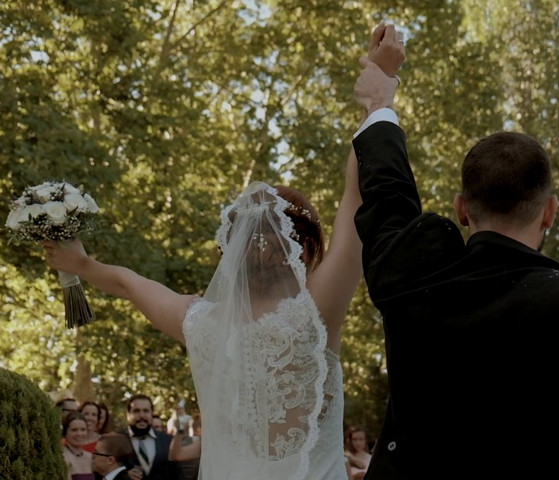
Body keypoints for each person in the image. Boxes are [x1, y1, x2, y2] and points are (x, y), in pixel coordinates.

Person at [44, 24, 402, 478]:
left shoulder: (199, 322)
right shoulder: (315, 313)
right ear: (303, 248)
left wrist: (80, 263)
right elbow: (358, 199)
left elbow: (126, 282)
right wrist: (378, 99)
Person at [352, 43, 559, 476]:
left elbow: (388, 194)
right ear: (550, 212)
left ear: (462, 209)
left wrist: (380, 102)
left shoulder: (411, 276)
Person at [120, 393, 178, 479]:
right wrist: (124, 475)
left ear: (152, 413)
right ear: (128, 414)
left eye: (146, 411)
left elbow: (177, 474)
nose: (142, 416)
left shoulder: (168, 441)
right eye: (136, 411)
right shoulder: (117, 440)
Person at [62, 411, 96, 480]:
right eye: (74, 430)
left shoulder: (91, 457)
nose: (79, 434)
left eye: (83, 430)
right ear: (65, 432)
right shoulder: (62, 456)